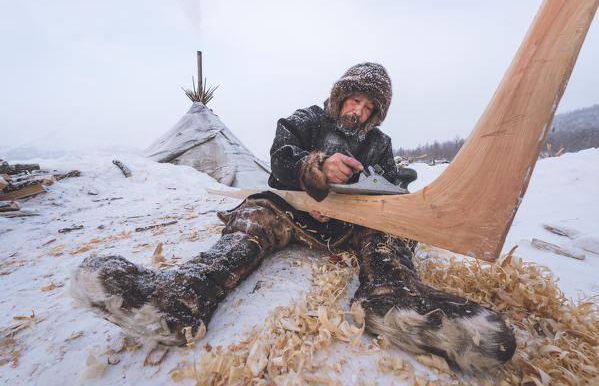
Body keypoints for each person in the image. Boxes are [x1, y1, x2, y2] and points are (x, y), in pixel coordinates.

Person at [71, 63, 515, 372]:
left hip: (350, 226)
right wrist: (317, 167)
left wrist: (394, 181)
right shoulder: (303, 120)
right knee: (257, 213)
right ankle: (183, 296)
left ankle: (392, 301)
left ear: (376, 115)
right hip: (294, 212)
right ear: (340, 96)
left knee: (390, 226)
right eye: (353, 100)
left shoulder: (378, 142)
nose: (357, 111)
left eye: (368, 108)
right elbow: (280, 160)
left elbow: (389, 181)